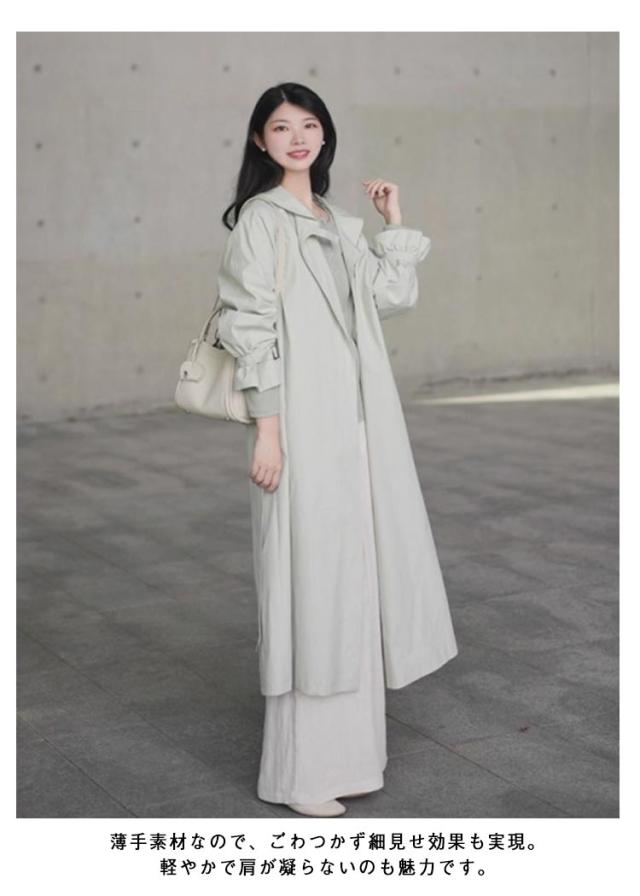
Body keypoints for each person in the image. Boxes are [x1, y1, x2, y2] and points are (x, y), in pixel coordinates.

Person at [216, 82, 458, 818]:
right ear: (260, 141)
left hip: (355, 429)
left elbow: (387, 299)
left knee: (352, 582)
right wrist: (268, 429)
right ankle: (300, 776)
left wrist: (393, 223)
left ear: (324, 137)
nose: (297, 137)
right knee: (310, 588)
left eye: (309, 125)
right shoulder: (261, 220)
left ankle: (351, 760)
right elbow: (248, 324)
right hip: (299, 427)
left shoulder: (339, 222)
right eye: (280, 127)